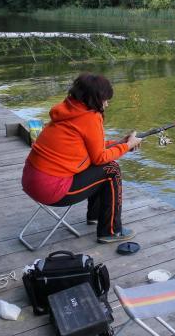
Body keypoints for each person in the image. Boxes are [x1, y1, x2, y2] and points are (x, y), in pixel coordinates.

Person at [22, 73, 142, 243]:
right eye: (105, 99)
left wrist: (120, 142)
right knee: (111, 169)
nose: (107, 104)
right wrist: (127, 146)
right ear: (95, 98)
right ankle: (111, 231)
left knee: (99, 167)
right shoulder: (89, 117)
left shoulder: (69, 110)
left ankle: (95, 216)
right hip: (51, 190)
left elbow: (93, 148)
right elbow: (100, 157)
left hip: (30, 181)